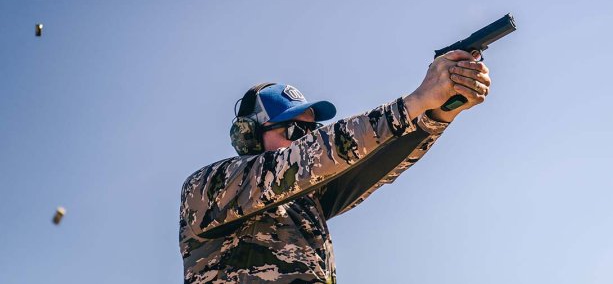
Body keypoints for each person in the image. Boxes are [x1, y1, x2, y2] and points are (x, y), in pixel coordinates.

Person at [179, 50, 491, 283]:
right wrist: (415, 101)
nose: (304, 141)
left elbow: (373, 165)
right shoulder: (207, 189)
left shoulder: (306, 204)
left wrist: (439, 113)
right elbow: (311, 157)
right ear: (248, 135)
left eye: (310, 133)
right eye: (293, 131)